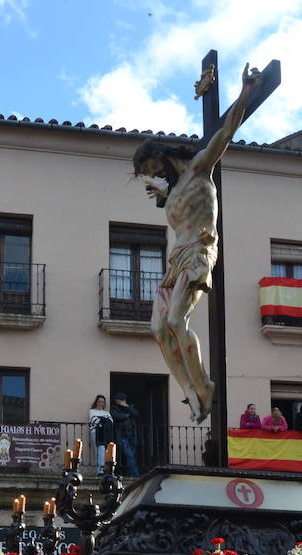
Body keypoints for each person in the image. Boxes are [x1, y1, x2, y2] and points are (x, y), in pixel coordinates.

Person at [133, 63, 267, 422]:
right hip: (176, 260)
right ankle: (189, 389)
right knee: (158, 328)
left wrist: (246, 92)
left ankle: (204, 384)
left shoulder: (199, 167)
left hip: (200, 250)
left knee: (177, 320)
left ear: (159, 158)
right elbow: (167, 192)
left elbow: (226, 130)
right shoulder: (173, 191)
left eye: (152, 170)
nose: (155, 177)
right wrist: (160, 190)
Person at [111, 393, 141, 476]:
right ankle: (135, 473)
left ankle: (130, 473)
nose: (120, 401)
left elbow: (135, 413)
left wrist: (127, 407)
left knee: (131, 455)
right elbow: (116, 416)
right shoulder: (114, 408)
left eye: (122, 400)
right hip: (122, 435)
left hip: (132, 434)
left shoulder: (129, 407)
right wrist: (127, 415)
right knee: (129, 455)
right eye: (119, 400)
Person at [88, 395, 114, 466]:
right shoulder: (92, 411)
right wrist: (104, 420)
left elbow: (111, 422)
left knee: (105, 451)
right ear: (96, 402)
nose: (101, 403)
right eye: (99, 401)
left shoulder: (106, 413)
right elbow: (94, 420)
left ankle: (103, 469)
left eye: (102, 402)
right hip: (96, 432)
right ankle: (100, 470)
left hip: (105, 433)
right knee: (99, 450)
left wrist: (101, 421)